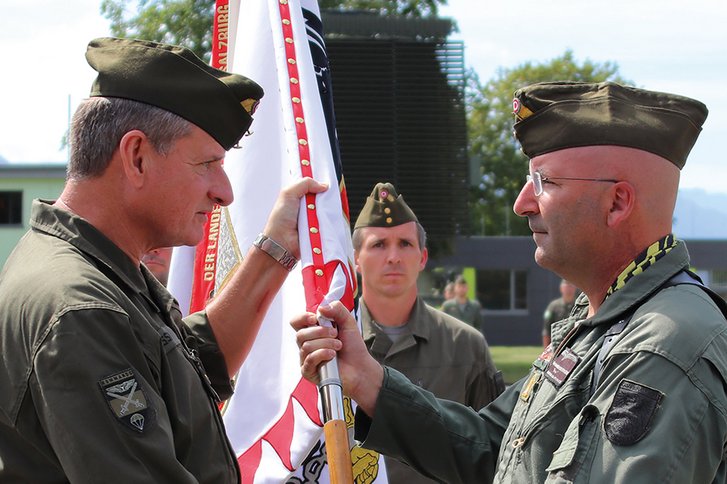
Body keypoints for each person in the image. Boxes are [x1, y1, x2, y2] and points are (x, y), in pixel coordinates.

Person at [292, 81, 727, 483]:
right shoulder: (603, 321)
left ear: (617, 203)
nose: (522, 203)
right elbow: (494, 447)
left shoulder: (664, 343)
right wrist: (367, 379)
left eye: (544, 181)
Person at [0, 37, 326, 483]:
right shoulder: (83, 310)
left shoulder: (94, 270)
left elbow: (189, 366)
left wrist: (275, 251)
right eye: (207, 164)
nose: (224, 191)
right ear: (136, 156)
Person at [352, 182, 504, 483]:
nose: (393, 257)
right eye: (379, 244)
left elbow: (495, 450)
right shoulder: (333, 346)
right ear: (356, 258)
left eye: (405, 244)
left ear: (422, 258)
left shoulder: (465, 345)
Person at [542, 279, 577, 347]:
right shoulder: (553, 306)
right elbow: (546, 331)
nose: (569, 289)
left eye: (571, 286)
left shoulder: (580, 305)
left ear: (575, 288)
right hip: (558, 345)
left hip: (575, 345)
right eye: (566, 286)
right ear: (561, 288)